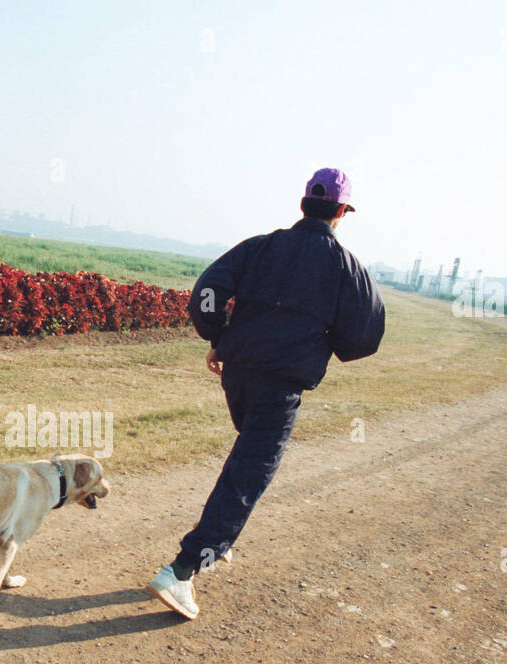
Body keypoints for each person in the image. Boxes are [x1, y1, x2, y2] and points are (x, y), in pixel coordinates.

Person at [147, 168, 386, 619]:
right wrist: (325, 343)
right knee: (248, 476)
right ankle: (181, 571)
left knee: (244, 460)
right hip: (281, 387)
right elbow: (366, 335)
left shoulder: (260, 246)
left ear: (303, 205)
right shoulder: (346, 266)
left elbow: (206, 293)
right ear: (341, 212)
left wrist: (216, 335)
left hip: (237, 375)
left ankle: (218, 535)